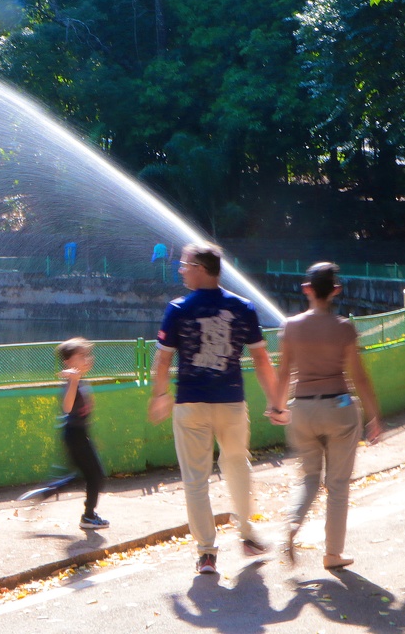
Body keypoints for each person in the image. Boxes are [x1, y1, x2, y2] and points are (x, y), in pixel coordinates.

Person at [147, 242, 284, 575]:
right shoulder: (243, 307)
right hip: (231, 403)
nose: (181, 269)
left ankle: (206, 553)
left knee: (195, 481)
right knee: (238, 466)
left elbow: (162, 360)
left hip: (190, 405)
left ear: (201, 269)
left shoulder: (178, 309)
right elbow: (261, 359)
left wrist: (160, 394)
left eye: (185, 264)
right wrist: (276, 402)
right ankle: (247, 534)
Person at [271, 262, 382, 571]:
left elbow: (284, 373)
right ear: (335, 290)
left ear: (307, 289)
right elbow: (359, 377)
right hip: (339, 410)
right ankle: (333, 554)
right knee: (338, 484)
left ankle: (293, 523)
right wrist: (374, 416)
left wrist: (278, 407)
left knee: (309, 478)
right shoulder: (344, 328)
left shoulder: (291, 327)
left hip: (302, 409)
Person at [59, 337, 109, 529]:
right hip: (74, 435)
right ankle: (88, 516)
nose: (88, 358)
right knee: (95, 476)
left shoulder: (79, 379)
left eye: (87, 354)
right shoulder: (73, 382)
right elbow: (67, 407)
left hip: (80, 435)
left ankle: (88, 514)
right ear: (68, 361)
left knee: (89, 475)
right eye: (81, 355)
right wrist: (73, 381)